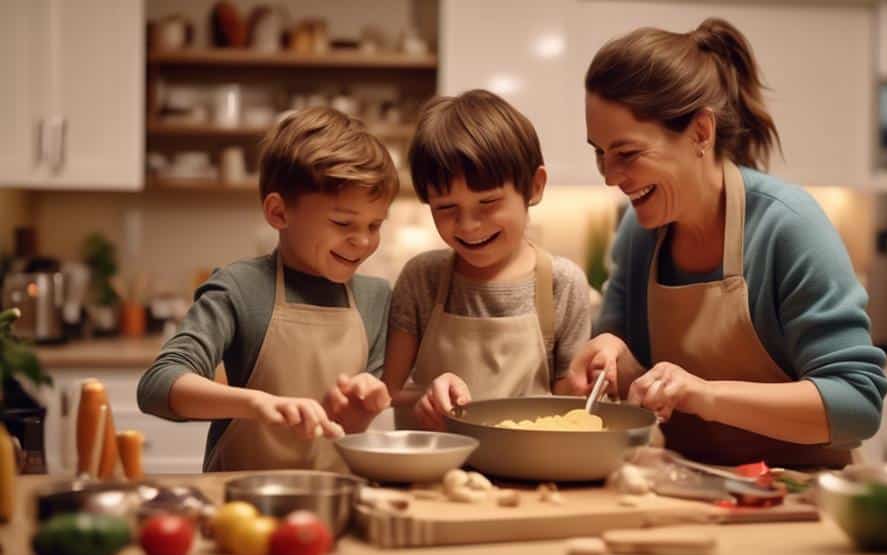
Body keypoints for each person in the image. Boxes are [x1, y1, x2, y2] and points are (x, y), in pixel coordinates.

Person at [567, 20, 887, 467]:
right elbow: (631, 370)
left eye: (627, 153)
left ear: (700, 132)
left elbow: (857, 406)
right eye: (599, 152)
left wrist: (705, 395)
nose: (609, 176)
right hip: (684, 487)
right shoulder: (639, 233)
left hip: (793, 497)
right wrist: (612, 358)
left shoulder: (788, 226)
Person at [137, 107, 396, 471]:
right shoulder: (239, 289)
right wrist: (257, 404)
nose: (363, 241)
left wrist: (364, 409)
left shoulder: (377, 298)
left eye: (375, 225)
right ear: (278, 213)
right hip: (241, 506)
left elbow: (371, 416)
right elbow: (157, 386)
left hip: (336, 500)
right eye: (342, 223)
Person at [384, 89, 592, 430]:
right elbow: (387, 393)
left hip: (533, 475)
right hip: (433, 471)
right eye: (446, 208)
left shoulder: (561, 283)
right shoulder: (422, 278)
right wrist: (424, 398)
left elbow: (572, 409)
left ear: (535, 187)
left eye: (488, 204)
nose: (468, 226)